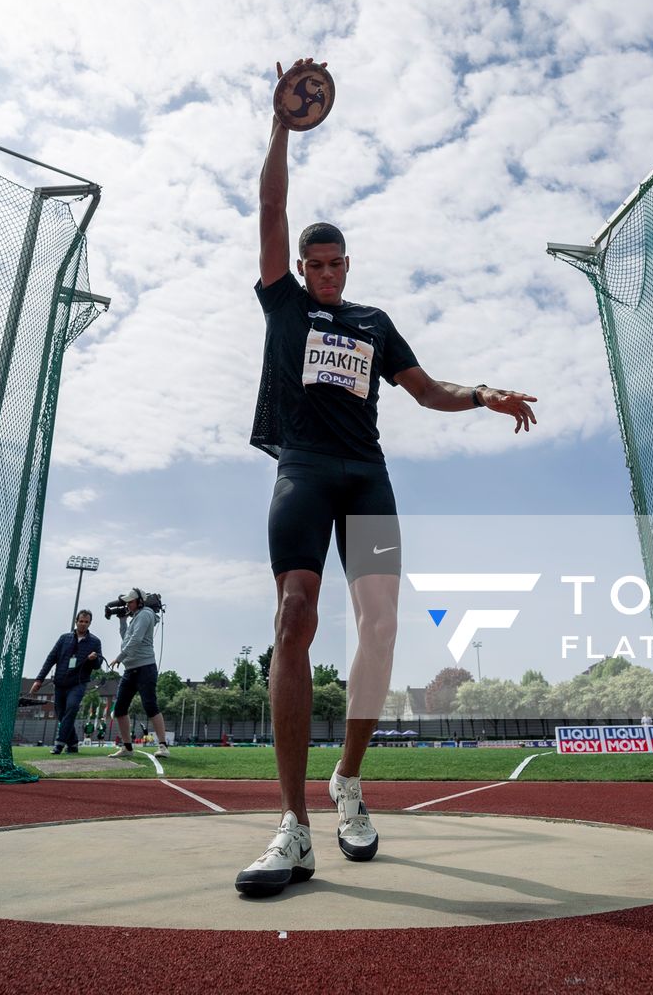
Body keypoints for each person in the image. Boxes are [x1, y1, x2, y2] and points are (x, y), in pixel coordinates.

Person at [234, 57, 539, 898]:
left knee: (381, 624)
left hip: (366, 476)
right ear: (301, 269)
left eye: (337, 263)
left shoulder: (373, 324)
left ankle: (348, 782)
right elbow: (270, 208)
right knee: (295, 614)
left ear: (348, 266)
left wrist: (480, 395)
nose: (327, 272)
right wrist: (279, 128)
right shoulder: (286, 306)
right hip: (303, 470)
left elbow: (428, 390)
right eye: (315, 263)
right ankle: (294, 828)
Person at [28, 609, 104, 755]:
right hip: (60, 683)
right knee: (62, 714)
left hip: (78, 683)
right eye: (81, 621)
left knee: (72, 708)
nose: (83, 624)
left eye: (86, 622)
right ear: (76, 621)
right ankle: (73, 743)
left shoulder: (95, 641)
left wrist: (95, 659)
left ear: (90, 623)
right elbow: (50, 659)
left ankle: (59, 744)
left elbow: (97, 665)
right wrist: (39, 679)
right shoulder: (64, 638)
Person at [106, 590, 169, 759]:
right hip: (131, 669)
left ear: (140, 602)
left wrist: (119, 657)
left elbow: (136, 640)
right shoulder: (137, 616)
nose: (127, 605)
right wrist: (122, 621)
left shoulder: (145, 614)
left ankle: (163, 746)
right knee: (119, 709)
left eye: (130, 602)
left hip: (145, 667)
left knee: (150, 705)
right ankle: (127, 747)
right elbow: (127, 638)